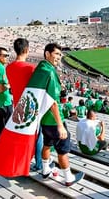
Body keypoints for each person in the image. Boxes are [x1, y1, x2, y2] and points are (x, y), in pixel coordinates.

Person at [34, 43, 84, 186]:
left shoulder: (40, 68)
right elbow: (53, 102)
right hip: (54, 121)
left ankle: (45, 170)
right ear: (47, 54)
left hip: (44, 120)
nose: (58, 57)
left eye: (59, 55)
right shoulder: (50, 72)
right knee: (62, 151)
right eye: (56, 54)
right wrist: (60, 125)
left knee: (47, 145)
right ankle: (68, 178)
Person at [5, 38, 43, 171]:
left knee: (24, 135)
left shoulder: (8, 67)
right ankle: (39, 163)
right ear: (26, 50)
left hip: (17, 105)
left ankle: (23, 160)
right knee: (38, 135)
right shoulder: (30, 68)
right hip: (31, 107)